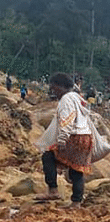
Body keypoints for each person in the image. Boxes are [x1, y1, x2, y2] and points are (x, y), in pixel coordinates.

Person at [35, 73, 94, 206]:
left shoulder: (66, 99)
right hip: (85, 137)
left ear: (60, 87)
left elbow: (67, 120)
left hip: (73, 137)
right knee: (77, 169)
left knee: (48, 156)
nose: (53, 91)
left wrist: (62, 140)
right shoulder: (78, 98)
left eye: (54, 88)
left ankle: (53, 190)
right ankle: (76, 202)